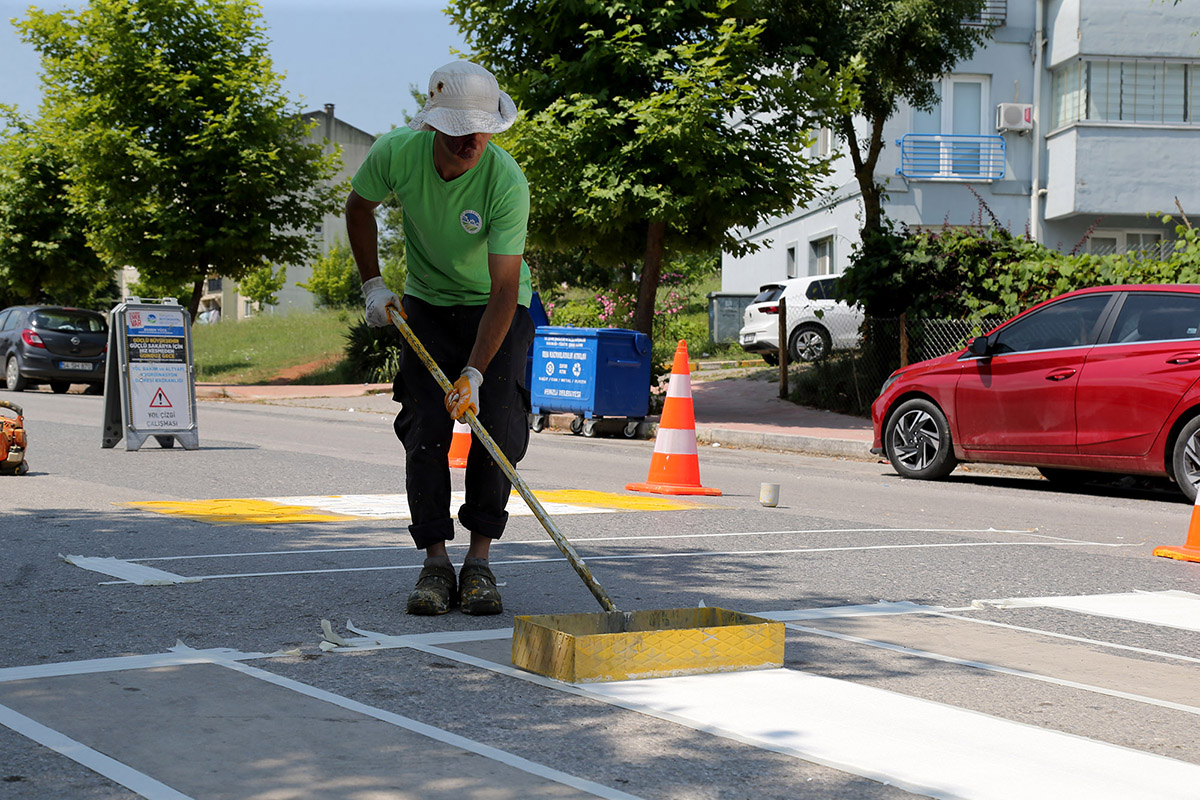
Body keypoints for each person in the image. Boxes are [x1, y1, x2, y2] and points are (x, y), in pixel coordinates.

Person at [345, 60, 535, 616]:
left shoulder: (505, 179)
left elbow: (504, 289)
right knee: (426, 425)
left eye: (480, 130)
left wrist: (474, 373)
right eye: (458, 130)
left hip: (495, 307)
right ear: (433, 125)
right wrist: (373, 283)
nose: (471, 141)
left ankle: (479, 563)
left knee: (497, 425)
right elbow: (359, 208)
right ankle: (434, 562)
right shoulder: (396, 153)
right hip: (425, 302)